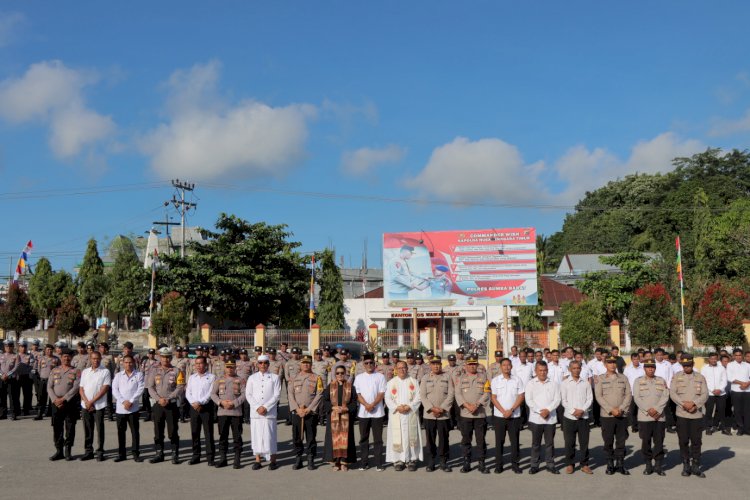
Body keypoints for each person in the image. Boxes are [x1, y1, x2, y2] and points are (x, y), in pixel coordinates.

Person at [671, 354, 709, 477]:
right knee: (683, 441)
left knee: (697, 441)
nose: (686, 367)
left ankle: (696, 465)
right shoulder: (677, 377)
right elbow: (672, 393)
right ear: (682, 365)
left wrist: (694, 404)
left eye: (688, 365)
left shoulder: (700, 377)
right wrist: (684, 404)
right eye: (684, 365)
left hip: (696, 414)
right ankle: (686, 465)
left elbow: (705, 394)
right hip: (682, 414)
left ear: (693, 364)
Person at [595, 355, 632, 475]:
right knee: (608, 440)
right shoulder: (600, 379)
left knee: (621, 441)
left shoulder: (623, 378)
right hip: (607, 415)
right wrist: (611, 409)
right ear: (605, 365)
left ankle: (620, 464)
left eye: (614, 363)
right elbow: (599, 396)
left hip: (621, 415)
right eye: (609, 363)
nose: (612, 365)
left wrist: (621, 409)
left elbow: (628, 395)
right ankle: (610, 464)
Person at [148, 347, 186, 464]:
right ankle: (159, 453)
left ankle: (175, 454)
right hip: (158, 405)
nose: (165, 359)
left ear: (171, 358)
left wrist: (169, 399)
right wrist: (159, 399)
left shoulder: (177, 371)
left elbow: (180, 387)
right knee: (158, 431)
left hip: (171, 405)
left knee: (173, 431)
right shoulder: (154, 370)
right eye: (163, 356)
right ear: (160, 357)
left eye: (168, 357)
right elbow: (150, 387)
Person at [455, 354, 490, 474]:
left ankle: (482, 463)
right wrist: (467, 405)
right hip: (465, 414)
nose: (472, 366)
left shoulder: (484, 378)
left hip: (479, 414)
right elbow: (458, 394)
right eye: (469, 364)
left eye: (474, 364)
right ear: (465, 366)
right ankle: (467, 463)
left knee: (481, 440)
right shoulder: (460, 378)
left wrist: (477, 404)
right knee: (466, 440)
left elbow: (486, 393)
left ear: (477, 365)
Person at [633, 358, 669, 476]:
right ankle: (648, 465)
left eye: (652, 367)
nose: (650, 369)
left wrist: (657, 409)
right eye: (648, 367)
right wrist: (648, 410)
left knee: (659, 441)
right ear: (644, 368)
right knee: (646, 441)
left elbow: (665, 396)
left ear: (655, 368)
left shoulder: (661, 380)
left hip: (659, 417)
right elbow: (637, 398)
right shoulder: (638, 381)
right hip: (645, 417)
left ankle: (658, 465)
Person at [385, 360, 423, 471]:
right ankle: (398, 460)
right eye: (400, 368)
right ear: (396, 369)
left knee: (410, 436)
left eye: (404, 367)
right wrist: (397, 407)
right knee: (397, 436)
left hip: (410, 413)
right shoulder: (391, 382)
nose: (402, 370)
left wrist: (409, 406)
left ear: (407, 368)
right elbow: (387, 398)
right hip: (397, 414)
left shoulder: (414, 381)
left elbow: (418, 397)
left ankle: (411, 459)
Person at [246, 354, 281, 470]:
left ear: (268, 364)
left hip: (269, 412)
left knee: (270, 436)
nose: (263, 365)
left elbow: (276, 395)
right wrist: (257, 407)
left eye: (265, 363)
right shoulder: (252, 378)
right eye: (260, 363)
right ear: (257, 364)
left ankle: (273, 460)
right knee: (256, 436)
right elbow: (248, 394)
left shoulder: (275, 377)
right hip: (256, 413)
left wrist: (265, 407)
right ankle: (258, 460)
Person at [288, 355, 324, 470]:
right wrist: (297, 409)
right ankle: (298, 458)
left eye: (308, 363)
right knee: (297, 436)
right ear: (300, 364)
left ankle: (310, 458)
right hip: (298, 412)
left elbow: (320, 394)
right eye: (303, 363)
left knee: (311, 436)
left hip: (310, 413)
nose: (306, 365)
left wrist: (310, 409)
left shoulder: (317, 378)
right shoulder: (294, 378)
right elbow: (290, 394)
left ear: (311, 364)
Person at [352, 352, 387, 471]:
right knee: (364, 438)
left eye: (371, 362)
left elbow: (381, 393)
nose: (369, 364)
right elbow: (357, 394)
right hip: (363, 413)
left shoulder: (380, 376)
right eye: (366, 363)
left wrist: (372, 404)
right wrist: (366, 405)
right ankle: (364, 462)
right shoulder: (359, 377)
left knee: (378, 439)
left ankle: (378, 463)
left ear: (374, 363)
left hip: (377, 412)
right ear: (363, 364)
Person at [420, 355, 454, 472]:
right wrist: (432, 408)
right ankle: (431, 461)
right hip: (429, 414)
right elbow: (422, 396)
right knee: (430, 439)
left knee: (444, 438)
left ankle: (443, 462)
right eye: (433, 364)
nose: (436, 366)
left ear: (441, 364)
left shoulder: (447, 377)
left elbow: (451, 395)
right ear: (430, 365)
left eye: (438, 364)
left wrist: (442, 409)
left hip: (443, 415)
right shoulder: (425, 378)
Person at [490, 357, 524, 474]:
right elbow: (493, 398)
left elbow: (521, 396)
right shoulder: (495, 380)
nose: (506, 367)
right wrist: (503, 411)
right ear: (500, 367)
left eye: (508, 365)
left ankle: (515, 465)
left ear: (511, 366)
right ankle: (499, 465)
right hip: (500, 416)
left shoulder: (517, 380)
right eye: (504, 365)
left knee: (514, 441)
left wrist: (511, 410)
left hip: (514, 416)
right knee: (499, 441)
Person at [526, 360, 561, 474]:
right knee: (536, 444)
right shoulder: (531, 383)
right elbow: (529, 400)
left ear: (547, 370)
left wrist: (548, 410)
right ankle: (534, 465)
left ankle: (550, 464)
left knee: (549, 443)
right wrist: (540, 411)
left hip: (550, 419)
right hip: (536, 419)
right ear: (536, 371)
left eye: (545, 370)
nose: (542, 373)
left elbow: (557, 399)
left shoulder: (553, 383)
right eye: (540, 370)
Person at [322, 364, 358, 470]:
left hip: (346, 416)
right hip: (333, 416)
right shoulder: (330, 386)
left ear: (345, 374)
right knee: (334, 439)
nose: (340, 375)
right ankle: (336, 462)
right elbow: (325, 400)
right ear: (335, 374)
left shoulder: (350, 386)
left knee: (345, 439)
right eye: (337, 373)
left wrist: (345, 409)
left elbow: (354, 401)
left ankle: (344, 462)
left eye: (342, 373)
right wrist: (333, 408)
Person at [212, 359, 246, 469]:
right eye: (227, 367)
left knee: (237, 437)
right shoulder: (219, 380)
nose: (229, 369)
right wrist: (220, 402)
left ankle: (237, 460)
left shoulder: (240, 380)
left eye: (232, 367)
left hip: (236, 412)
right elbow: (213, 394)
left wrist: (234, 403)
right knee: (223, 436)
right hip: (222, 412)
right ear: (224, 367)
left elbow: (244, 394)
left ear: (235, 367)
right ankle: (223, 459)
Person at [47, 349, 81, 461]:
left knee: (70, 426)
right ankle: (59, 450)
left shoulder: (76, 371)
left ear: (71, 358)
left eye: (68, 357)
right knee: (57, 427)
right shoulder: (54, 370)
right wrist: (55, 400)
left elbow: (76, 387)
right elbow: (49, 387)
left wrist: (64, 399)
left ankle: (68, 451)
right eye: (64, 356)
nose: (66, 358)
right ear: (61, 358)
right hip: (55, 403)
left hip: (70, 403)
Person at [560, 360, 593, 474]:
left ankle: (584, 464)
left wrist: (582, 410)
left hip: (583, 417)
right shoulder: (564, 383)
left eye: (578, 368)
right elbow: (563, 400)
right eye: (573, 368)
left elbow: (590, 399)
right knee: (569, 442)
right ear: (569, 369)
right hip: (569, 417)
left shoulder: (586, 383)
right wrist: (574, 411)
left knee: (584, 442)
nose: (576, 370)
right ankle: (570, 464)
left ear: (581, 369)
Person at [79, 351, 111, 461]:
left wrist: (92, 401)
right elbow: (81, 388)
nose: (95, 360)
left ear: (101, 358)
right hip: (85, 405)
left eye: (97, 358)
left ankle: (100, 451)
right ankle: (88, 451)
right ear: (90, 359)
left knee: (99, 429)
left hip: (99, 405)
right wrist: (87, 402)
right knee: (87, 429)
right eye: (93, 358)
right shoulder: (85, 372)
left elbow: (104, 389)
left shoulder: (105, 371)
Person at [112, 353, 145, 462]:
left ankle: (136, 453)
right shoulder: (118, 375)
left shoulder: (139, 375)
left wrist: (131, 401)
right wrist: (123, 401)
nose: (128, 364)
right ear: (122, 363)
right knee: (121, 432)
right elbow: (115, 390)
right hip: (121, 409)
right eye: (126, 362)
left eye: (130, 362)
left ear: (134, 363)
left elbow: (140, 389)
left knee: (135, 432)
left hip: (133, 408)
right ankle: (122, 454)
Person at [185, 356, 216, 466]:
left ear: (206, 364)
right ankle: (196, 455)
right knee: (195, 432)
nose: (198, 365)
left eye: (200, 363)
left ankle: (210, 457)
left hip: (205, 408)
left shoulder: (212, 377)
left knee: (208, 433)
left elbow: (211, 393)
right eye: (196, 363)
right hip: (194, 408)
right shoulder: (192, 377)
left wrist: (200, 402)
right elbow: (188, 392)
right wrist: (194, 402)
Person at [702, 352, 729, 435]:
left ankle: (723, 428)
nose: (713, 360)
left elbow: (724, 380)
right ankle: (708, 428)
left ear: (717, 359)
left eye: (715, 358)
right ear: (709, 359)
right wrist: (712, 390)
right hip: (710, 394)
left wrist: (720, 389)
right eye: (712, 358)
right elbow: (703, 381)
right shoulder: (704, 368)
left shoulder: (721, 368)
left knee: (721, 411)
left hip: (721, 393)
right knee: (709, 411)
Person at [726, 348, 750, 435]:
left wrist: (747, 384)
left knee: (747, 410)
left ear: (742, 356)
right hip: (736, 391)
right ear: (733, 356)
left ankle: (747, 429)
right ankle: (740, 428)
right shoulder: (730, 365)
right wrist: (742, 383)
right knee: (737, 410)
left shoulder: (747, 365)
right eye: (736, 355)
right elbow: (730, 378)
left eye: (740, 355)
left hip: (747, 391)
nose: (738, 357)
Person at [34, 344, 58, 420]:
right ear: (45, 350)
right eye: (48, 349)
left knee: (52, 397)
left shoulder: (56, 359)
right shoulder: (41, 359)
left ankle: (51, 413)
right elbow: (39, 369)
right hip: (43, 380)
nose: (49, 351)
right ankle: (40, 413)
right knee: (42, 397)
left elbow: (60, 369)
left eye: (51, 350)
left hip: (53, 381)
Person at [0, 339, 21, 420]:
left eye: (10, 346)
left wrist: (7, 375)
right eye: (6, 346)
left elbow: (16, 367)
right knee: (2, 397)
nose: (8, 347)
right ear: (4, 347)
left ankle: (13, 413)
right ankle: (3, 413)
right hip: (1, 378)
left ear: (13, 347)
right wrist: (1, 375)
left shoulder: (16, 356)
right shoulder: (1, 355)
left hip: (11, 379)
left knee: (13, 397)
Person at [624, 353, 644, 432]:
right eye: (634, 359)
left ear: (639, 359)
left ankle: (642, 426)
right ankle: (634, 426)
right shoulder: (627, 369)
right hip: (631, 393)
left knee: (642, 410)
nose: (636, 361)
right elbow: (625, 381)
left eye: (637, 359)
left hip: (642, 393)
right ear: (631, 360)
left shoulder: (643, 367)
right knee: (632, 411)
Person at [140, 348, 159, 421]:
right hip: (146, 384)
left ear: (154, 354)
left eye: (152, 354)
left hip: (154, 384)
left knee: (154, 400)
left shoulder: (157, 363)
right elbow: (141, 372)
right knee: (146, 399)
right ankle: (148, 414)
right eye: (150, 354)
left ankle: (154, 415)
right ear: (148, 354)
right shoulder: (145, 362)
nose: (151, 355)